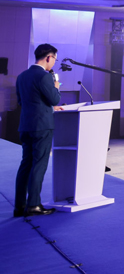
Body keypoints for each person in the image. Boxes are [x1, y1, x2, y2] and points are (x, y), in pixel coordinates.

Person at [14, 43, 63, 218]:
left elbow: (22, 102)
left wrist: (48, 108)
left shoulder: (22, 76)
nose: (54, 63)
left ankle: (19, 206)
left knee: (25, 164)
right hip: (42, 126)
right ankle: (34, 205)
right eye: (55, 59)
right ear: (49, 57)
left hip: (26, 126)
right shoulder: (44, 76)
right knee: (39, 165)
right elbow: (54, 98)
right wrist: (56, 86)